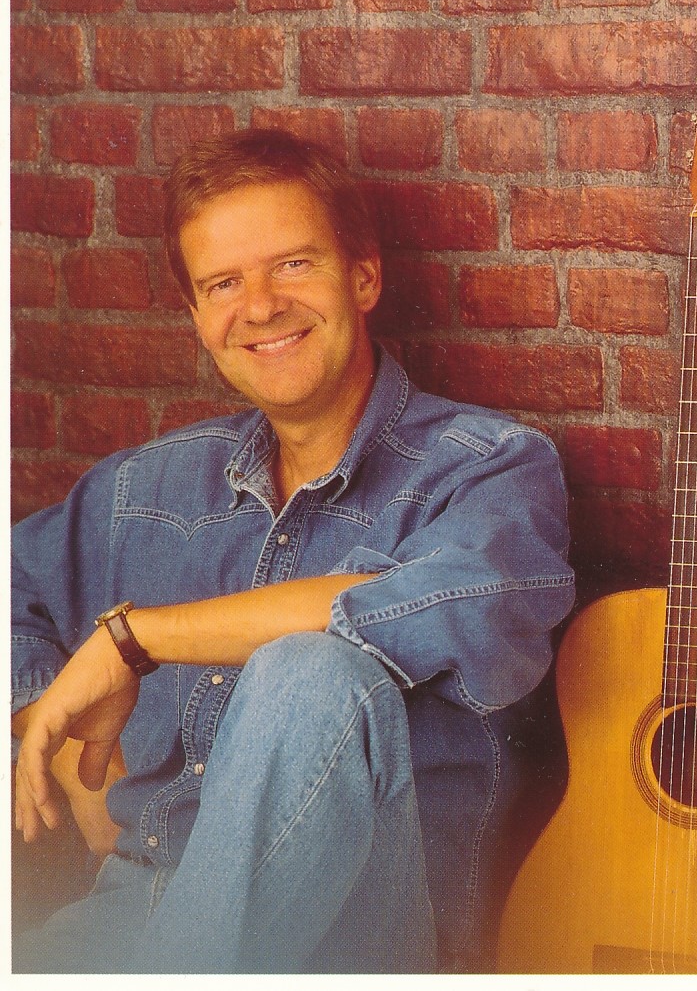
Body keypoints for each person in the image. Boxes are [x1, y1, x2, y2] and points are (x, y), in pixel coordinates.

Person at [12, 129, 575, 974]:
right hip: (137, 906)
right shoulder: (146, 488)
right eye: (223, 283)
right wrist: (55, 731)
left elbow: (417, 608)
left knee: (309, 672)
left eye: (293, 265)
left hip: (357, 943)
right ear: (197, 317)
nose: (260, 306)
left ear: (364, 277)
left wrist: (132, 639)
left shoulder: (489, 467)